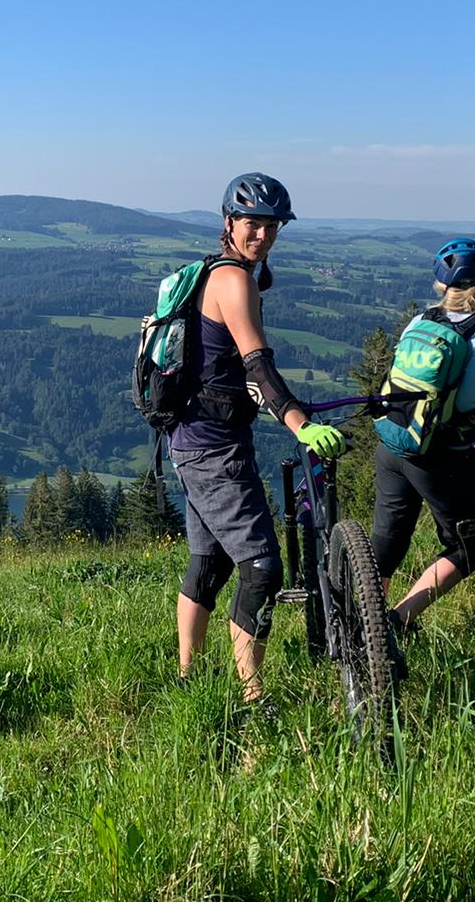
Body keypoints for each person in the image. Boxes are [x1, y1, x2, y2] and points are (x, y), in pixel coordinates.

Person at [170, 172, 345, 701]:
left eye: (272, 226)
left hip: (192, 438)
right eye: (253, 224)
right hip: (214, 447)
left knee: (210, 561)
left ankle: (188, 682)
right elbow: (257, 368)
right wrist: (300, 423)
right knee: (263, 568)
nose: (263, 235)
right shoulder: (233, 280)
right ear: (228, 223)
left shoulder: (211, 273)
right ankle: (253, 700)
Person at [374, 239, 475, 635]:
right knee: (472, 544)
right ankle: (399, 619)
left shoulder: (421, 320)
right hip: (439, 453)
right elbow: (469, 399)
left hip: (394, 441)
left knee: (389, 540)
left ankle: (365, 626)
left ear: (441, 284)